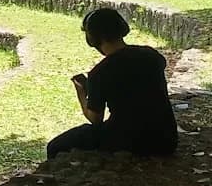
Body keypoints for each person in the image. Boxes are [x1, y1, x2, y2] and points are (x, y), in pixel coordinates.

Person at [47, 8, 178, 159]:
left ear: (93, 38)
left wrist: (82, 93)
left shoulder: (100, 73)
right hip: (166, 138)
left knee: (55, 147)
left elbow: (95, 119)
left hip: (129, 140)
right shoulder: (152, 55)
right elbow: (134, 84)